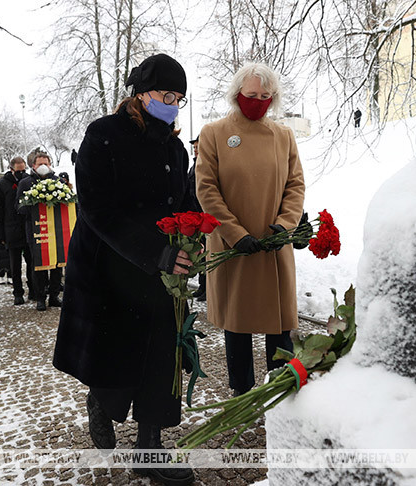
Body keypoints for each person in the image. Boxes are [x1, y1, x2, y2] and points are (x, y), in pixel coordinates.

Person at [52, 53, 195, 486]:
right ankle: (101, 398)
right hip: (110, 269)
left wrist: (192, 236)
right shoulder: (104, 134)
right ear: (140, 94)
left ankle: (149, 446)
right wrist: (154, 251)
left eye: (179, 98)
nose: (172, 103)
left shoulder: (173, 145)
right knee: (116, 358)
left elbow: (181, 201)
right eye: (166, 95)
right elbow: (96, 208)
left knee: (159, 359)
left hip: (159, 273)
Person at [196, 62, 306, 397]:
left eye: (265, 96)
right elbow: (206, 188)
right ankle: (241, 391)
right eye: (251, 94)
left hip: (273, 246)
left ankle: (279, 391)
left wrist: (285, 226)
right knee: (238, 325)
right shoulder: (214, 132)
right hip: (235, 247)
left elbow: (295, 186)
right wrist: (234, 232)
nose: (258, 101)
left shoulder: (284, 135)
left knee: (279, 325)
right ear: (236, 94)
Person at [16, 153, 64, 311]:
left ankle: (54, 296)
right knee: (39, 266)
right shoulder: (25, 183)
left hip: (56, 232)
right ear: (33, 166)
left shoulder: (58, 182)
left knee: (57, 265)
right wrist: (35, 204)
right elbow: (19, 207)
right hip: (36, 232)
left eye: (46, 163)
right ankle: (40, 297)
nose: (44, 166)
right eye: (40, 163)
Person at [0, 156, 32, 305]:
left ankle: (33, 289)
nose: (22, 173)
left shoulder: (29, 181)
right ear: (11, 169)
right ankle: (18, 293)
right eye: (18, 170)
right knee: (15, 265)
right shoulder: (2, 184)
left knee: (32, 262)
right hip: (11, 230)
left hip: (27, 228)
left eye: (24, 170)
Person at [187, 134, 207, 302]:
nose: (195, 149)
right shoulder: (194, 166)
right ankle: (203, 286)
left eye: (198, 146)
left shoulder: (208, 165)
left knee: (208, 255)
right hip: (196, 218)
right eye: (194, 147)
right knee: (200, 255)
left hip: (207, 218)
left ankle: (209, 288)